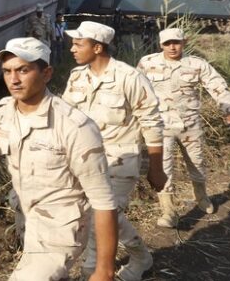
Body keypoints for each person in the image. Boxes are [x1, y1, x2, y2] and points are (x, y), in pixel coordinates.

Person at [0, 37, 118, 281]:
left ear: (46, 73)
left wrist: (104, 270)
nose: (13, 80)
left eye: (23, 70)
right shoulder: (4, 112)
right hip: (26, 218)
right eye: (7, 71)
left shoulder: (74, 126)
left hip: (61, 229)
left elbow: (103, 201)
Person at [62, 21, 166, 281]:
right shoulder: (76, 76)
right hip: (83, 161)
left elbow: (152, 123)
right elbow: (66, 118)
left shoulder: (129, 77)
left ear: (97, 47)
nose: (72, 48)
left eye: (78, 43)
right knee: (104, 216)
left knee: (101, 220)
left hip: (119, 160)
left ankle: (93, 271)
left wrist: (156, 168)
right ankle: (141, 256)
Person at [137, 28, 230, 228]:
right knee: (163, 166)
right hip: (161, 126)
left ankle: (201, 196)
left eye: (176, 42)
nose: (172, 47)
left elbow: (217, 85)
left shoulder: (196, 64)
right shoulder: (148, 63)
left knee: (197, 162)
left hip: (190, 125)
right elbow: (135, 90)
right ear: (161, 45)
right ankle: (168, 210)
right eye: (167, 43)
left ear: (184, 42)